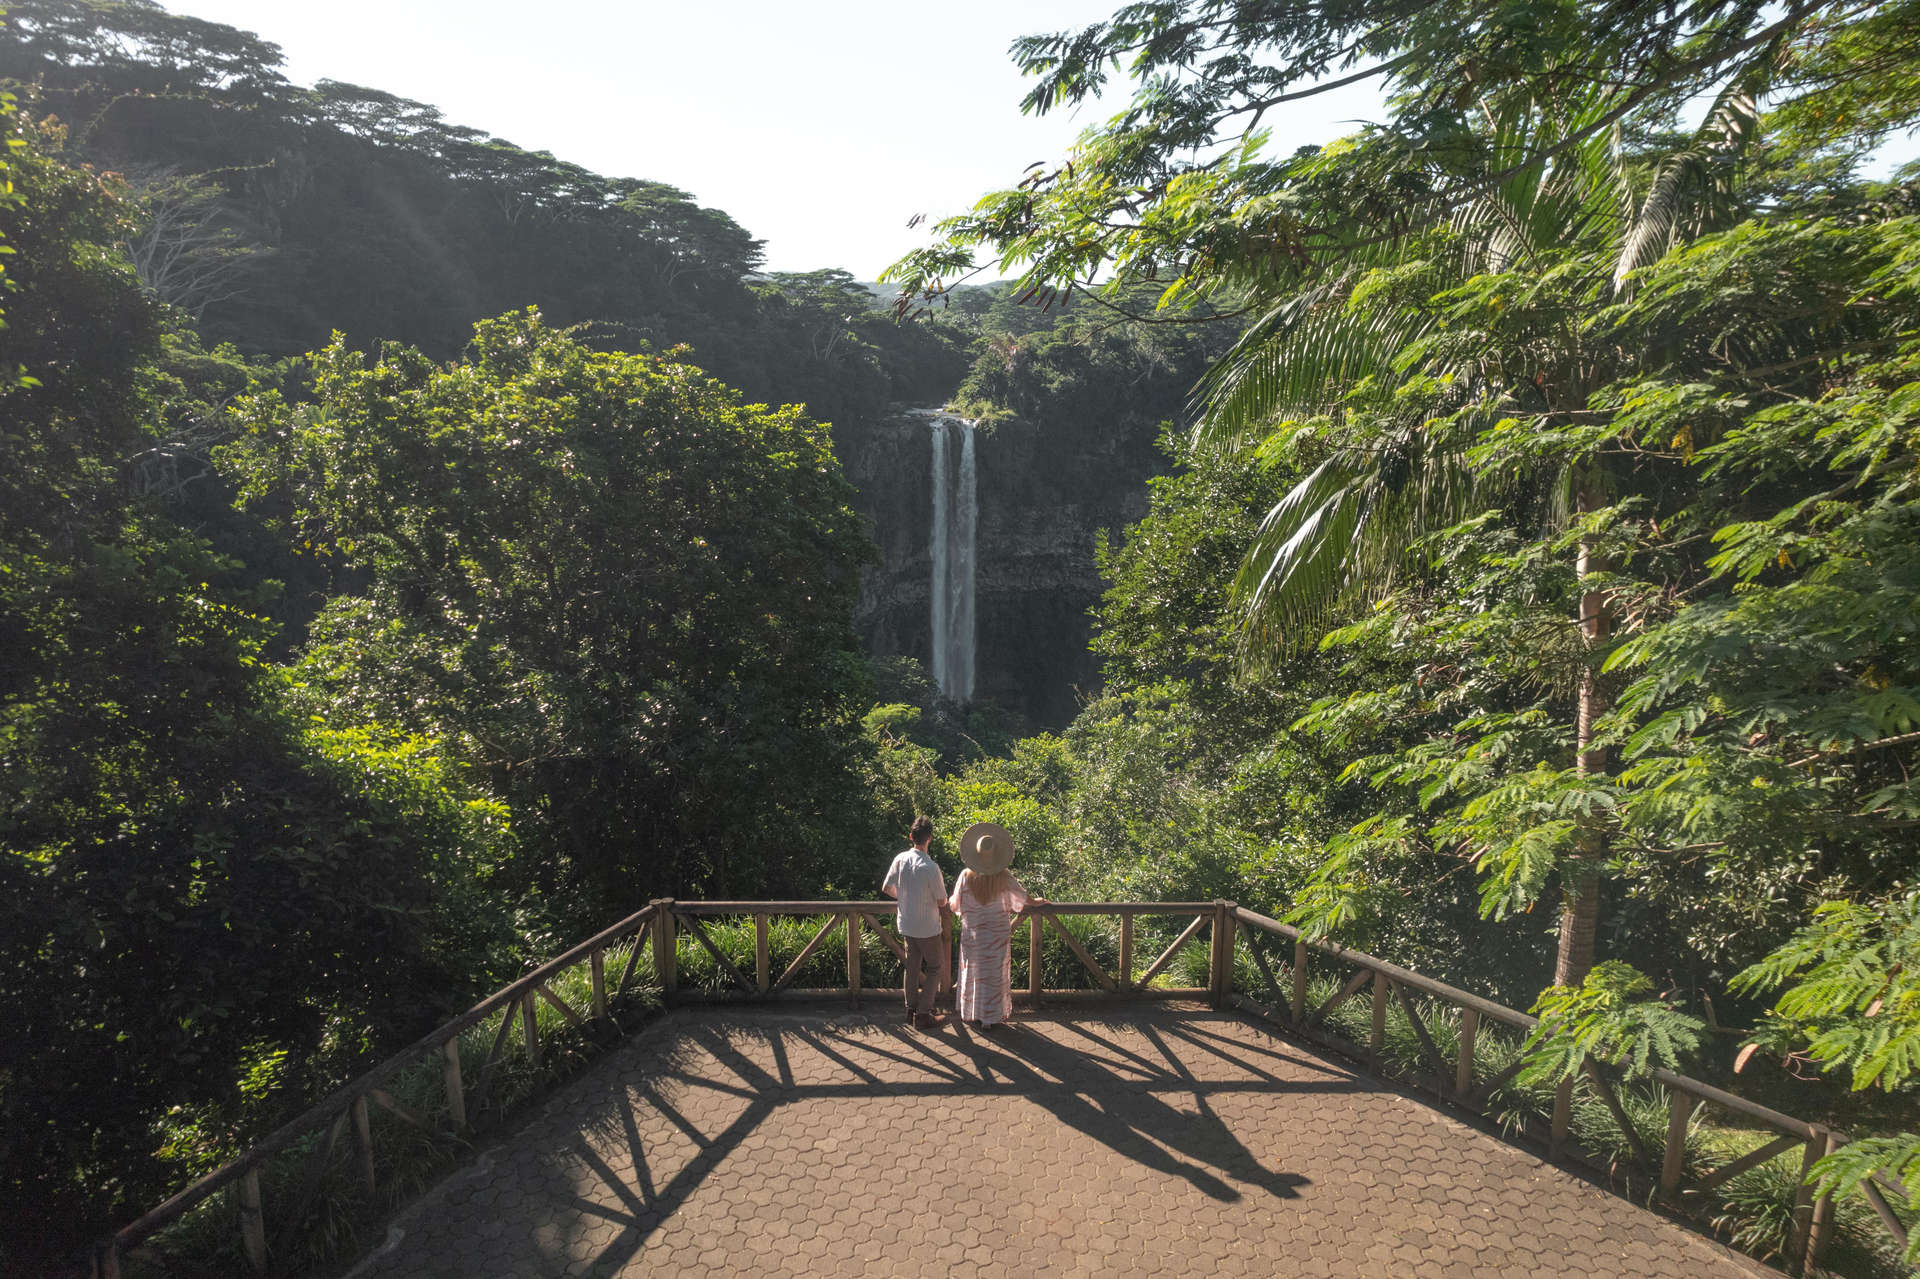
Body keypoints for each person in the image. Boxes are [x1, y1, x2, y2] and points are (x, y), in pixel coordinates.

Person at [948, 821, 1043, 1032]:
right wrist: (1038, 902)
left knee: (973, 972)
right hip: (997, 936)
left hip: (972, 934)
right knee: (993, 974)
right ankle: (990, 1018)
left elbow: (955, 904)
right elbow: (1023, 898)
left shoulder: (965, 876)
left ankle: (971, 1013)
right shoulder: (1004, 877)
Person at [881, 815, 949, 1031]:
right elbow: (941, 900)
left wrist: (904, 898)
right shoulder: (931, 867)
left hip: (907, 923)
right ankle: (923, 1014)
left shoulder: (900, 859)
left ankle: (910, 1009)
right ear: (929, 838)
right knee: (935, 967)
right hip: (927, 927)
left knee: (912, 967)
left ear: (911, 836)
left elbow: (886, 887)